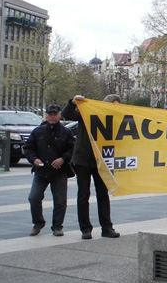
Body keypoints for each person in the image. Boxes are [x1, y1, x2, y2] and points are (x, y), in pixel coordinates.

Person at [61, 94, 120, 239]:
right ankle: (85, 229)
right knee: (83, 194)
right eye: (113, 105)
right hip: (83, 158)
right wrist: (72, 102)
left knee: (103, 194)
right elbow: (67, 114)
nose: (115, 109)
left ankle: (107, 227)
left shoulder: (117, 118)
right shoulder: (88, 112)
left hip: (102, 160)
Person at [23, 105, 75, 237]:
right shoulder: (37, 131)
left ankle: (57, 226)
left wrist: (63, 159)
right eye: (50, 114)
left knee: (60, 201)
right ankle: (38, 222)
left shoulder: (66, 132)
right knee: (34, 198)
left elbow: (72, 149)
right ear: (46, 116)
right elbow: (28, 148)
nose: (52, 116)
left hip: (59, 172)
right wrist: (33, 159)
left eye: (55, 114)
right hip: (41, 171)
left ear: (59, 115)